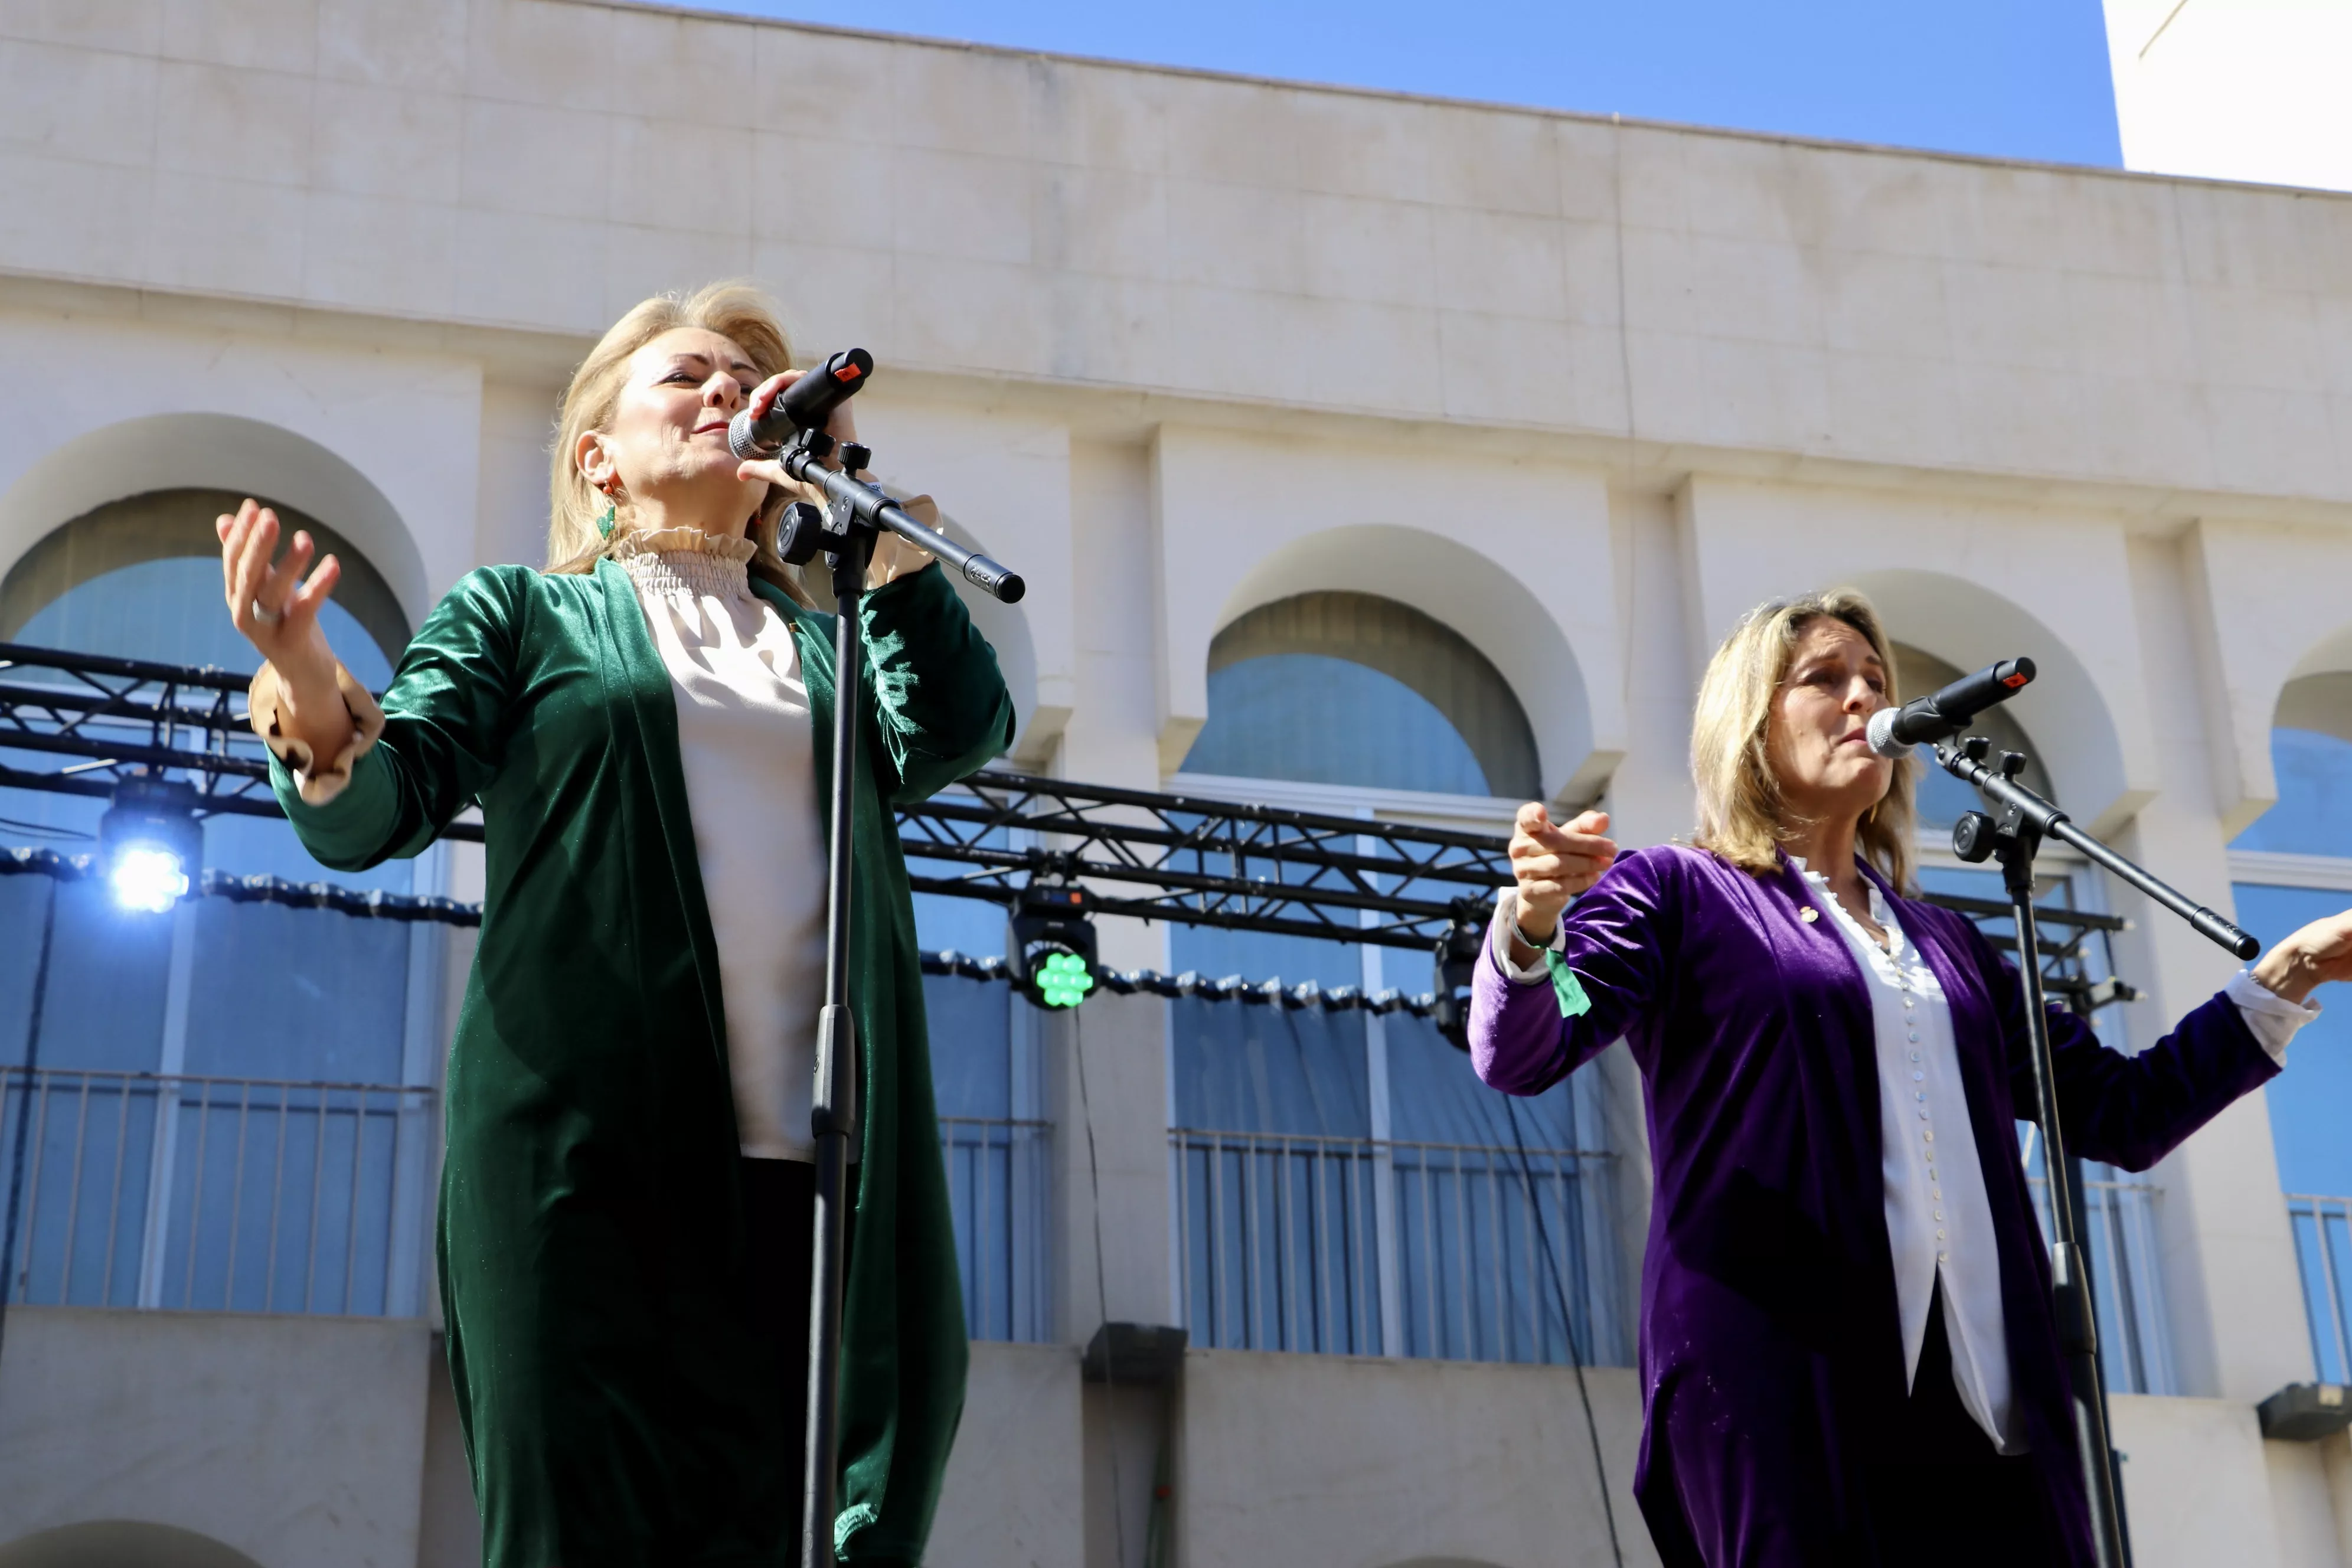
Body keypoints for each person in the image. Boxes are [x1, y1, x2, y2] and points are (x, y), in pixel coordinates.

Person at [217, 282, 1013, 1567]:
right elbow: (384, 802)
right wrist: (307, 678)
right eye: (686, 377)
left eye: (745, 382)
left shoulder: (827, 648)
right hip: (587, 1177)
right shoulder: (525, 617)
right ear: (598, 458)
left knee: (821, 1527)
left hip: (821, 1180)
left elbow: (959, 727)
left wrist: (889, 535)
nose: (723, 394)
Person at [1472, 588, 2352, 1567]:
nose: (1862, 700)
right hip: (1782, 1388)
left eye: (1877, 682)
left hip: (1988, 1397)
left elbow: (2122, 1110)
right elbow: (1522, 1054)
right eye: (1824, 678)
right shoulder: (1676, 891)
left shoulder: (1952, 945)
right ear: (1748, 724)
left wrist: (2290, 973)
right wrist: (1535, 923)